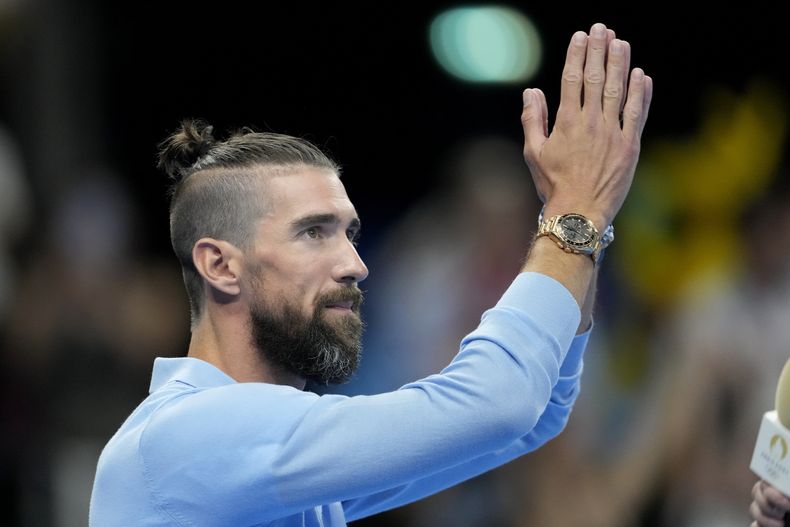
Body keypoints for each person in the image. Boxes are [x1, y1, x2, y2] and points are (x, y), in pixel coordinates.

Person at [89, 22, 652, 526]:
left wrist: (586, 230)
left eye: (350, 234)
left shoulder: (272, 460)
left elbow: (533, 415)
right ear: (219, 265)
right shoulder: (191, 436)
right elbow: (499, 401)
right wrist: (576, 212)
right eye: (314, 232)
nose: (355, 265)